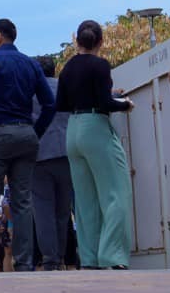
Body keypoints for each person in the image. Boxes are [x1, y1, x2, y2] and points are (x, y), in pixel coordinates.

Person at [0, 20, 54, 274]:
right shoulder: (31, 64)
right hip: (25, 133)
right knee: (23, 201)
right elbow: (49, 104)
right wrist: (35, 132)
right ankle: (24, 261)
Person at [56, 22, 134, 269]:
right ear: (100, 41)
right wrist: (124, 103)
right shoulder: (100, 65)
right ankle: (112, 256)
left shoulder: (67, 68)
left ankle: (89, 257)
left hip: (73, 129)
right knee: (115, 193)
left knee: (85, 200)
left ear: (77, 41)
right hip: (95, 127)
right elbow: (104, 103)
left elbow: (61, 104)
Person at [31, 55, 73, 272]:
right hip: (66, 151)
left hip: (39, 155)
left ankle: (50, 258)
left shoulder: (30, 92)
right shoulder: (65, 87)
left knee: (43, 210)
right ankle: (62, 255)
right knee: (63, 210)